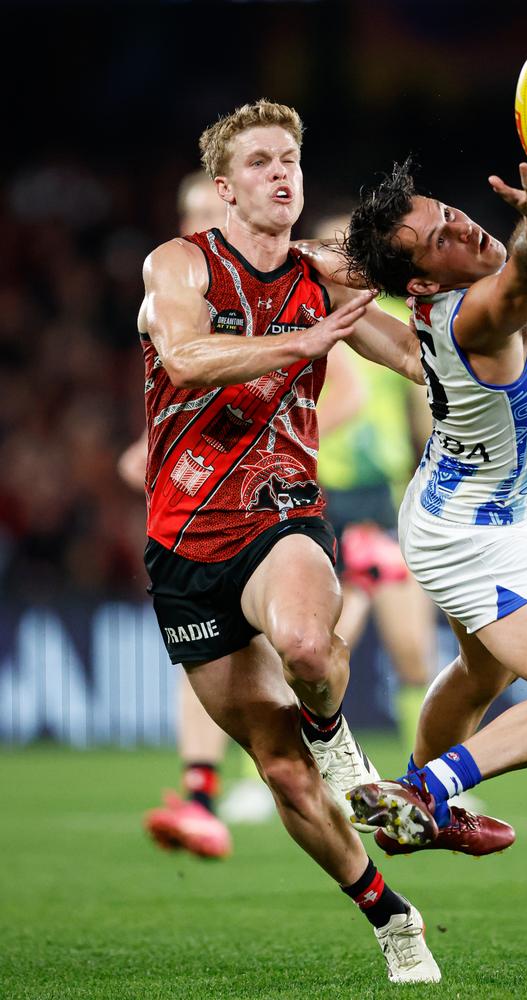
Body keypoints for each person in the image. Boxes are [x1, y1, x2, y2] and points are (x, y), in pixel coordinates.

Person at [139, 99, 444, 983]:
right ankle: (390, 914)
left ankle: (333, 727)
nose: (282, 174)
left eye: (292, 161)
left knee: (311, 644)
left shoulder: (323, 273)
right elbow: (187, 359)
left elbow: (407, 353)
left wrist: (483, 359)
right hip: (185, 539)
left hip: (283, 507)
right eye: (263, 162)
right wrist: (303, 340)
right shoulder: (178, 265)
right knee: (280, 772)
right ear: (226, 188)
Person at [338, 155, 527, 853]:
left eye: (449, 211)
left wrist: (308, 265)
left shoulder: (434, 304)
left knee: (482, 671)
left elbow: (404, 348)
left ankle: (422, 806)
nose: (465, 228)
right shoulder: (478, 315)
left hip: (460, 512)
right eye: (441, 237)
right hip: (480, 535)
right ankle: (424, 792)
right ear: (421, 280)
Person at [119, 172, 275, 864]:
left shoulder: (272, 282)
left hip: (270, 496)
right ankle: (208, 794)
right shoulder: (173, 293)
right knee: (206, 655)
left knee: (284, 647)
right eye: (192, 213)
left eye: (213, 209)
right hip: (197, 507)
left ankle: (278, 778)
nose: (202, 223)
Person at [315, 213, 437, 754]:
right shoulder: (301, 324)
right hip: (319, 500)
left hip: (386, 500)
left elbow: (428, 415)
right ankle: (269, 781)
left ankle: (431, 775)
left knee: (412, 647)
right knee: (317, 651)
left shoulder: (395, 322)